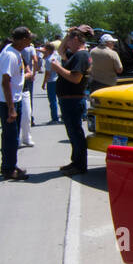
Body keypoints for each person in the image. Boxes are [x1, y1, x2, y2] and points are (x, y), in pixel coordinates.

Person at [0, 27, 31, 180]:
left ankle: (10, 165)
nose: (31, 40)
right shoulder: (10, 55)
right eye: (29, 38)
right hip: (9, 101)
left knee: (12, 136)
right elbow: (5, 82)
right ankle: (8, 169)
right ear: (22, 40)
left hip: (15, 98)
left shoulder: (13, 51)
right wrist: (11, 108)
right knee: (11, 137)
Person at [51, 27, 92, 176]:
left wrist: (58, 68)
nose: (66, 43)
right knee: (72, 133)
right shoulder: (75, 54)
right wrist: (69, 33)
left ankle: (80, 165)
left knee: (76, 133)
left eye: (69, 40)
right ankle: (75, 162)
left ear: (76, 40)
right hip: (69, 100)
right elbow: (61, 50)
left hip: (73, 100)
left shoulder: (81, 56)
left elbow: (76, 78)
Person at [19, 39, 37, 147]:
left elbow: (28, 71)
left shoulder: (21, 57)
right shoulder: (9, 55)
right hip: (14, 90)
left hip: (23, 88)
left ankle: (26, 137)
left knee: (26, 113)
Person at [40, 42, 61, 123]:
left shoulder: (49, 60)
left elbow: (47, 73)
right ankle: (63, 116)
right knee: (59, 99)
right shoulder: (56, 56)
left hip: (51, 81)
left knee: (52, 100)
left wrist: (44, 83)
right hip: (58, 79)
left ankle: (54, 118)